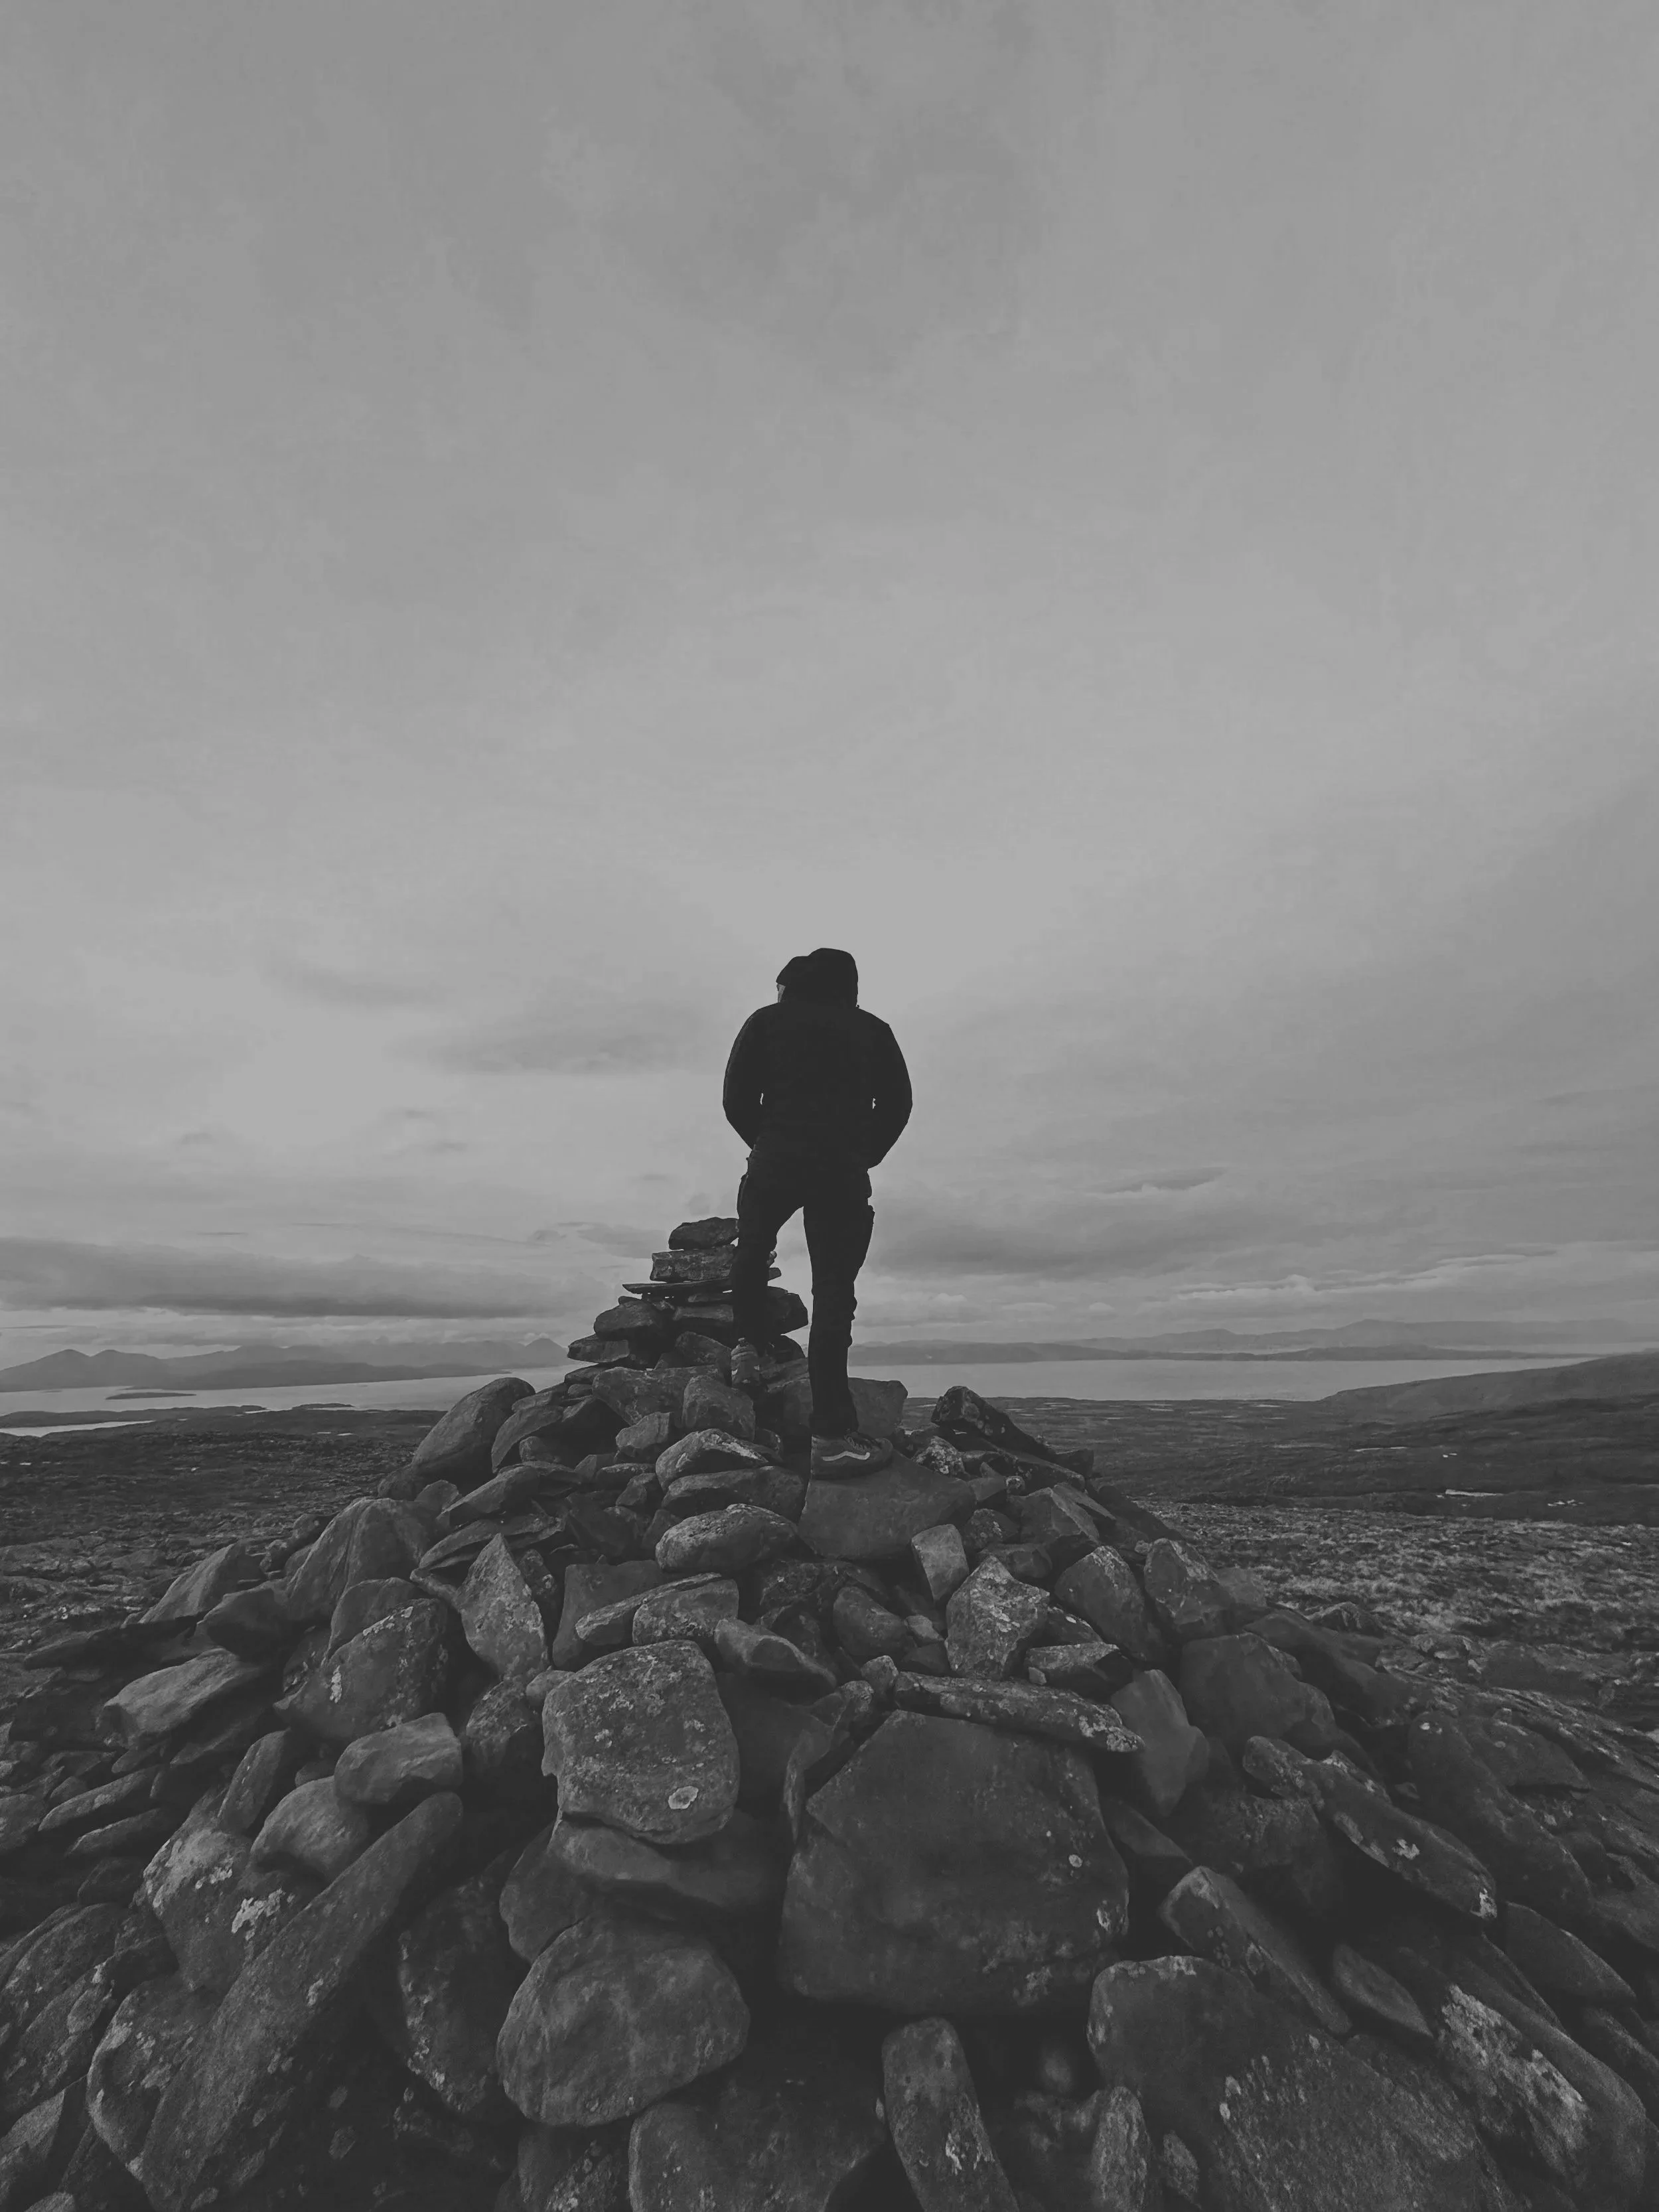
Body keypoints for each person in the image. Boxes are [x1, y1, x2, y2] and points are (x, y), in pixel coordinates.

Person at [721, 947, 912, 1477]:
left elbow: (735, 1096)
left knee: (754, 1250)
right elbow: (898, 1105)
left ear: (792, 984)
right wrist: (863, 1151)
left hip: (775, 1160)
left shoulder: (766, 1022)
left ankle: (747, 1349)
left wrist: (766, 1140)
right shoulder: (873, 1030)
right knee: (833, 1293)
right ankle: (830, 1439)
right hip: (841, 1171)